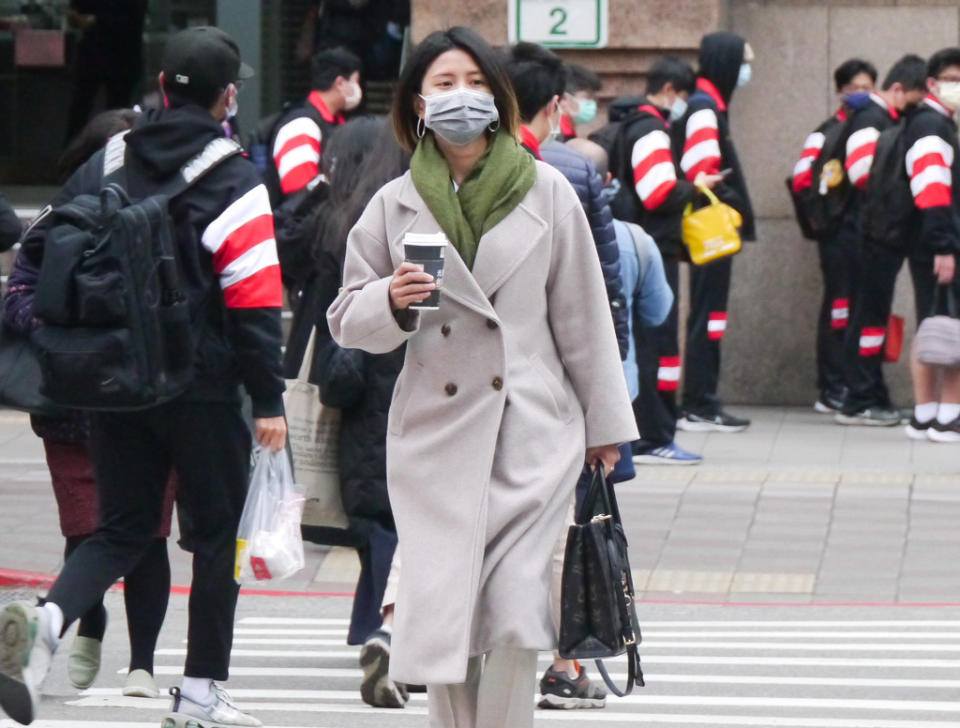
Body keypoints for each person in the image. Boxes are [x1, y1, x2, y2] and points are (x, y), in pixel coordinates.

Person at [326, 26, 638, 728]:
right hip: (435, 442)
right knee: (446, 616)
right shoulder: (394, 203)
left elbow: (584, 318)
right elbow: (345, 318)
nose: (459, 97)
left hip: (532, 430)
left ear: (498, 99)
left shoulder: (548, 192)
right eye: (442, 84)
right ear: (415, 105)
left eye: (472, 81)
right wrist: (391, 302)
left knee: (517, 613)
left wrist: (607, 430)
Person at [0, 26, 286, 728]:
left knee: (120, 528)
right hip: (204, 384)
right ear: (228, 97)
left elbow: (43, 246)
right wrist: (270, 397)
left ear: (161, 87)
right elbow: (254, 299)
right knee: (216, 537)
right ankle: (198, 695)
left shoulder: (109, 157)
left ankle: (50, 618)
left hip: (114, 381)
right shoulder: (234, 174)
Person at [3, 108, 175, 701]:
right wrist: (70, 323)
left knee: (150, 536)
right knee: (87, 533)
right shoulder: (58, 222)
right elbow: (19, 296)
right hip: (72, 411)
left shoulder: (162, 212)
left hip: (144, 402)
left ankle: (144, 666)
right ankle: (84, 623)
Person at [284, 116, 413, 709]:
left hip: (358, 392)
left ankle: (375, 628)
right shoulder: (411, 217)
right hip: (410, 384)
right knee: (403, 517)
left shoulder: (339, 224)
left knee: (375, 516)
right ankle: (389, 630)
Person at [604, 56, 719, 464]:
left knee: (630, 344)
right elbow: (657, 191)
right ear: (669, 91)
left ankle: (638, 432)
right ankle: (656, 435)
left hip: (620, 245)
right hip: (651, 250)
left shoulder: (616, 125)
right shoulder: (652, 129)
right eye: (684, 97)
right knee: (660, 343)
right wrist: (695, 186)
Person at [505, 42, 629, 360]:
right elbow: (601, 266)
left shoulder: (460, 167)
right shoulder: (561, 177)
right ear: (554, 105)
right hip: (545, 345)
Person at [836, 54, 928, 426]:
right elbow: (861, 172)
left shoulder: (882, 118)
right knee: (868, 315)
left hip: (876, 229)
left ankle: (868, 392)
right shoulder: (872, 119)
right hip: (870, 230)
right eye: (913, 101)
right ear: (896, 90)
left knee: (872, 315)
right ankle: (860, 397)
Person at [671, 32, 756, 432]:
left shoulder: (706, 105)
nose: (746, 72)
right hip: (712, 231)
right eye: (743, 62)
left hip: (708, 229)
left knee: (708, 315)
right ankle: (700, 403)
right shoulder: (706, 108)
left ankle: (699, 401)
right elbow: (704, 172)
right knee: (710, 315)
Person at [790, 58, 877, 414]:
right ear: (840, 90)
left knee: (860, 308)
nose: (861, 94)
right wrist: (823, 220)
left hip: (867, 234)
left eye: (867, 87)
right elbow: (800, 180)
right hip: (838, 236)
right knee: (839, 307)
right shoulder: (825, 132)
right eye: (854, 88)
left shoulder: (875, 126)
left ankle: (854, 383)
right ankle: (832, 385)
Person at [899, 49, 960, 441]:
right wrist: (944, 246)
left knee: (931, 324)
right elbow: (932, 187)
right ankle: (948, 417)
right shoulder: (932, 126)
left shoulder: (931, 123)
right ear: (934, 83)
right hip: (940, 243)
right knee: (951, 327)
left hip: (931, 241)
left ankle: (925, 415)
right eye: (954, 79)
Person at [269, 47, 363, 203]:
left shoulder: (335, 124)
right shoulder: (301, 126)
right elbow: (300, 194)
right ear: (340, 83)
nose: (358, 89)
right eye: (355, 82)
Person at [64, 0, 148, 145]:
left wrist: (94, 21)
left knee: (109, 115)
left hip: (117, 55)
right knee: (89, 113)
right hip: (112, 55)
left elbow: (133, 16)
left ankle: (73, 156)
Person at [559, 63, 602, 141]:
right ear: (564, 98)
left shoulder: (566, 132)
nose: (593, 103)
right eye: (588, 97)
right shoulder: (555, 135)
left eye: (594, 98)